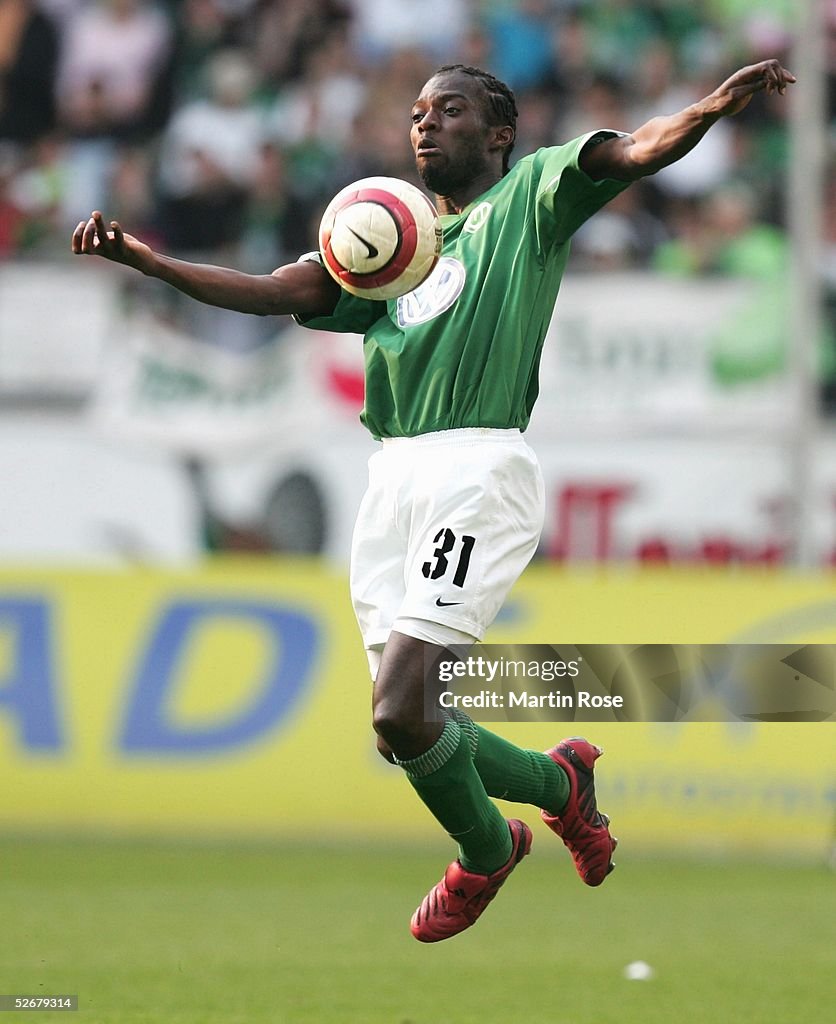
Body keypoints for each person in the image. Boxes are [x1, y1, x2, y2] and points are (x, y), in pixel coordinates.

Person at [72, 57, 795, 942]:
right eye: (416, 111)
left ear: (497, 135)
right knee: (406, 728)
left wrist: (714, 104)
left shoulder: (532, 193)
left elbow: (638, 150)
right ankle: (560, 785)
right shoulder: (387, 241)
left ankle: (488, 851)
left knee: (397, 706)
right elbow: (270, 293)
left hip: (475, 468)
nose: (424, 124)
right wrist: (151, 263)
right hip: (393, 481)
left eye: (449, 110)